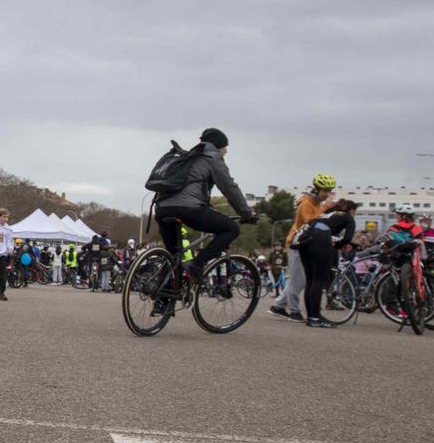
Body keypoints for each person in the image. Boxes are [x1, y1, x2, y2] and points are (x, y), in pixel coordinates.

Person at [153, 128, 256, 275]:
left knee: (174, 258)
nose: (226, 151)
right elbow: (230, 188)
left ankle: (163, 296)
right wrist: (247, 214)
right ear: (218, 145)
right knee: (231, 228)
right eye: (225, 147)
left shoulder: (188, 157)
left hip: (162, 208)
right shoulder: (212, 158)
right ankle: (198, 263)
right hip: (187, 209)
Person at [271, 175, 336, 320]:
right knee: (297, 280)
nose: (327, 194)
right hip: (297, 243)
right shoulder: (306, 204)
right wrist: (326, 209)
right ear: (317, 189)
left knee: (301, 279)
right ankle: (294, 311)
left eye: (329, 191)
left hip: (307, 244)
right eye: (325, 191)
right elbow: (311, 222)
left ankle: (278, 306)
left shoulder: (317, 203)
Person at [294, 199, 360, 327]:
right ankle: (315, 318)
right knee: (319, 280)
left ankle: (311, 317)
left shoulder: (327, 214)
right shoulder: (348, 217)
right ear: (351, 210)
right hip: (321, 240)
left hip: (305, 240)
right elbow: (347, 238)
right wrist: (336, 246)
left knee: (311, 280)